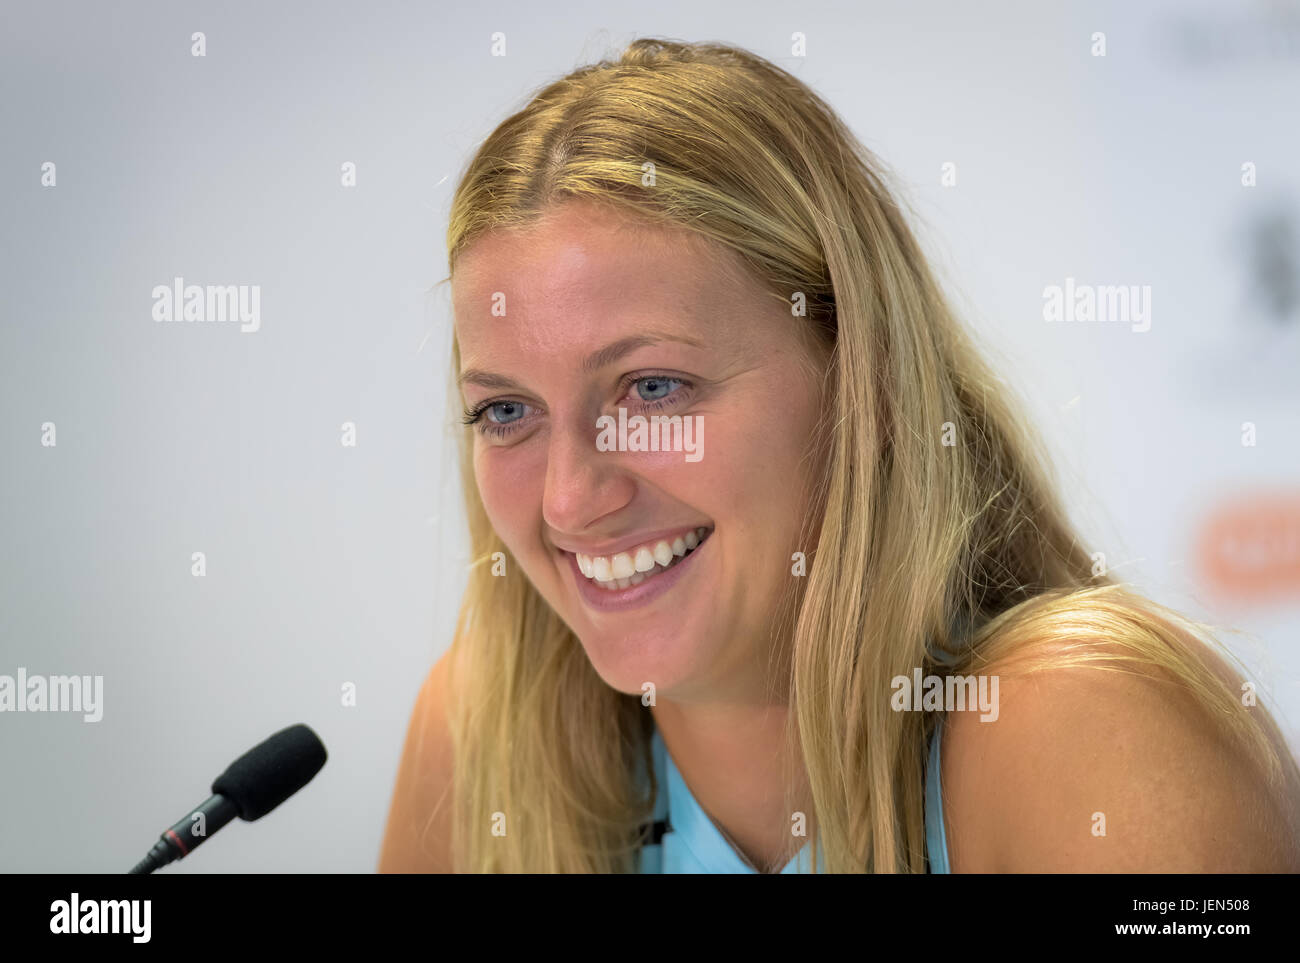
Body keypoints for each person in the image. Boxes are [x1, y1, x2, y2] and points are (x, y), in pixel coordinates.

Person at [379, 37, 1300, 873]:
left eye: (653, 388)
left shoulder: (1097, 733)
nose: (572, 500)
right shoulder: (483, 730)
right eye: (506, 410)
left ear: (865, 377)